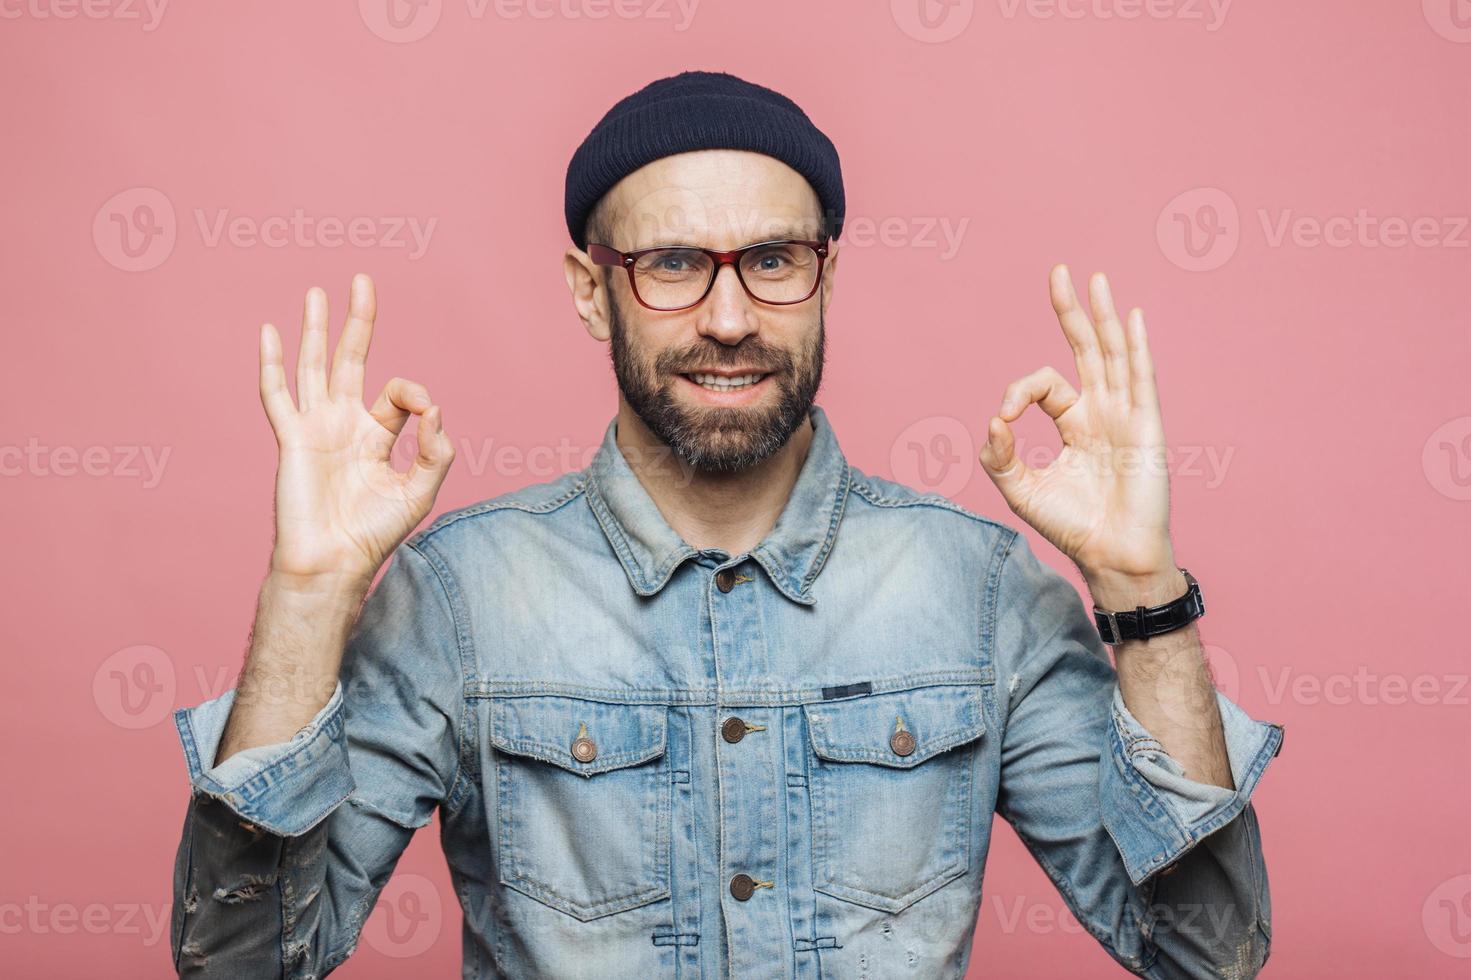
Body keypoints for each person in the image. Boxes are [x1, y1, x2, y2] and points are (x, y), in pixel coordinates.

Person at [169, 70, 1282, 978]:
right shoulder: (460, 594)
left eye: (771, 259)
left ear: (824, 276)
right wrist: (306, 601)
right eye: (670, 265)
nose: (731, 316)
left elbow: (1203, 951)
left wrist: (1145, 589)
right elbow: (244, 960)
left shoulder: (979, 585)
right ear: (587, 288)